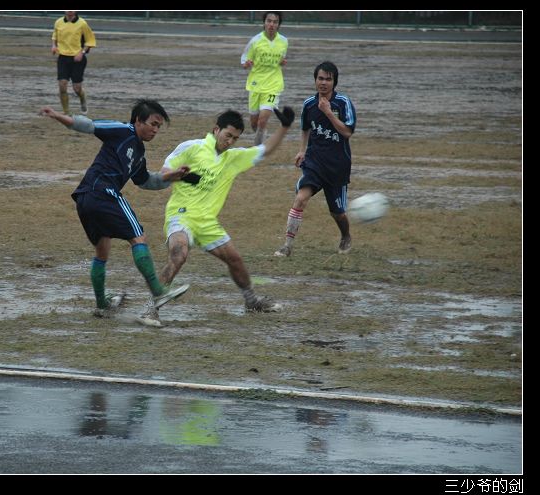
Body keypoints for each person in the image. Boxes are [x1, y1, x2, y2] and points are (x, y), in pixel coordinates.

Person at [137, 106, 296, 327]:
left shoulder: (233, 158)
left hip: (207, 222)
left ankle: (251, 301)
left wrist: (285, 127)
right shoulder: (192, 148)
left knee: (235, 259)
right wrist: (178, 175)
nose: (230, 141)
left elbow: (265, 149)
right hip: (181, 215)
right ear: (216, 130)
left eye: (235, 138)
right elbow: (164, 173)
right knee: (179, 254)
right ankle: (149, 309)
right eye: (227, 135)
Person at [39, 99, 192, 317]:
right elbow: (88, 125)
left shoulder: (139, 153)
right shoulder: (122, 130)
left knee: (102, 250)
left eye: (159, 126)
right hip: (103, 192)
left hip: (85, 198)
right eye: (153, 124)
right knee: (138, 237)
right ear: (138, 120)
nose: (156, 130)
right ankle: (158, 292)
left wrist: (172, 176)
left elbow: (146, 181)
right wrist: (57, 115)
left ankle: (102, 305)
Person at [274, 61, 357, 257]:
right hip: (314, 163)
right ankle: (287, 246)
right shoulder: (309, 104)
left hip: (337, 166)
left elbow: (347, 132)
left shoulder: (343, 103)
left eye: (328, 79)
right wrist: (302, 150)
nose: (323, 83)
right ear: (315, 80)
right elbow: (305, 128)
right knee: (300, 199)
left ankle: (345, 236)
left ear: (334, 82)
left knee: (337, 212)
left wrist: (328, 112)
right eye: (320, 78)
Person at [240, 11, 288, 146]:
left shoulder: (283, 41)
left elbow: (281, 58)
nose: (271, 24)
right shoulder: (255, 41)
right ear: (264, 23)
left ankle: (259, 150)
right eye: (269, 21)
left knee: (262, 121)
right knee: (254, 123)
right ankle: (261, 136)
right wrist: (246, 64)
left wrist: (281, 62)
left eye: (275, 22)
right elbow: (244, 59)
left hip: (273, 85)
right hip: (256, 84)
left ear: (278, 24)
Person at [51, 11, 96, 116]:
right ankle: (66, 112)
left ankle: (82, 99)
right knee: (62, 85)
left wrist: (82, 52)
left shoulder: (82, 23)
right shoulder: (58, 22)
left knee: (77, 88)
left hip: (77, 59)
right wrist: (54, 46)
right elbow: (55, 36)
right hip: (63, 58)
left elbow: (90, 41)